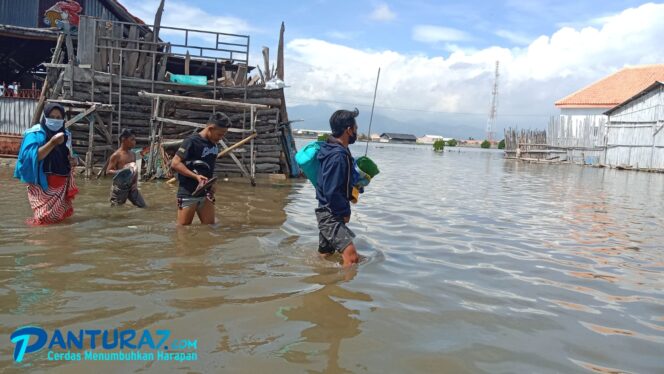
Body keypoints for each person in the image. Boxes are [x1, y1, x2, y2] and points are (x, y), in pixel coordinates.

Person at [14, 103, 79, 225]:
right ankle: (40, 241)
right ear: (45, 117)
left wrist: (74, 159)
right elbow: (30, 158)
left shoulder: (66, 134)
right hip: (41, 184)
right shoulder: (34, 133)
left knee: (60, 220)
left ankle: (57, 241)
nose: (55, 120)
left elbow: (71, 153)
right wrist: (52, 143)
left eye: (59, 117)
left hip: (61, 184)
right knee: (42, 219)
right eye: (52, 116)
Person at [315, 108, 362, 268]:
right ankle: (342, 291)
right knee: (352, 258)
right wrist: (345, 213)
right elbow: (332, 191)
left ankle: (322, 281)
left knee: (325, 256)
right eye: (355, 128)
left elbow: (336, 182)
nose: (357, 131)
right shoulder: (338, 156)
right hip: (331, 215)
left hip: (325, 211)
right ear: (348, 130)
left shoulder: (334, 149)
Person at [170, 112, 230, 225]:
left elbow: (209, 167)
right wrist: (196, 176)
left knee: (210, 228)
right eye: (219, 134)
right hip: (189, 193)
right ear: (210, 128)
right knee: (183, 231)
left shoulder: (214, 144)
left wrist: (212, 184)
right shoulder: (191, 141)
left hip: (206, 194)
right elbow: (175, 163)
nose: (221, 138)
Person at [106, 128, 146, 208]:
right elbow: (108, 172)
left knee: (143, 206)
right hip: (119, 188)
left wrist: (135, 183)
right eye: (132, 140)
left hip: (131, 186)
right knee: (116, 210)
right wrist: (122, 171)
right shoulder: (116, 155)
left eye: (135, 140)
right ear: (124, 140)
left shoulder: (133, 154)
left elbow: (135, 170)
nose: (134, 142)